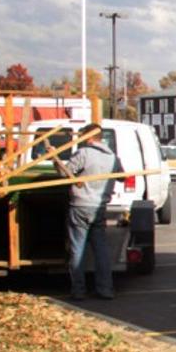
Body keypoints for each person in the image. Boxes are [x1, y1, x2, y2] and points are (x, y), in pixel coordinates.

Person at [54, 124, 121, 301]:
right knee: (101, 250)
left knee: (78, 249)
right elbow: (121, 176)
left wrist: (56, 160)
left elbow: (64, 173)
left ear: (89, 137)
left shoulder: (83, 153)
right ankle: (105, 289)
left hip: (80, 205)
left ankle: (78, 290)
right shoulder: (112, 157)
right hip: (99, 207)